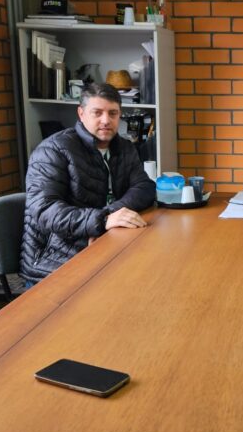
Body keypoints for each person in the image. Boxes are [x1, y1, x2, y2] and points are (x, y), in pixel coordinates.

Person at [21, 83, 156, 285]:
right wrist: (102, 221)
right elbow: (44, 210)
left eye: (113, 113)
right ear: (81, 113)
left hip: (105, 244)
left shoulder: (125, 147)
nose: (106, 120)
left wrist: (107, 218)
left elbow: (144, 188)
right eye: (97, 113)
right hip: (54, 258)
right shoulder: (52, 150)